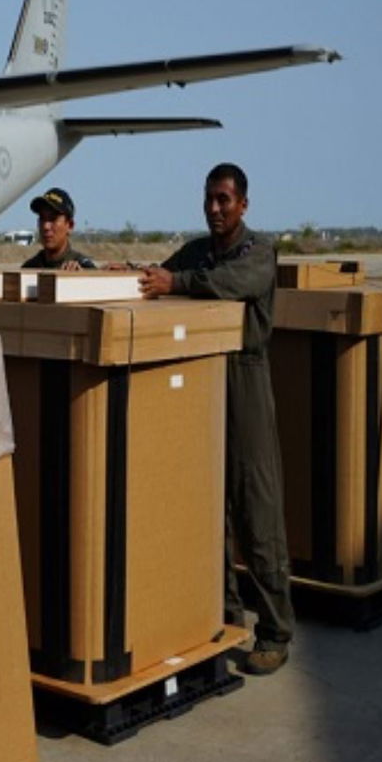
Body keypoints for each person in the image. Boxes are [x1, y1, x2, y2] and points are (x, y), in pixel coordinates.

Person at [138, 162, 295, 676]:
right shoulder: (197, 251)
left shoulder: (258, 252)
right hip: (205, 376)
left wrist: (178, 282)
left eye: (224, 200)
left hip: (245, 378)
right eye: (209, 199)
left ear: (243, 204)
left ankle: (274, 630)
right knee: (209, 507)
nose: (214, 209)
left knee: (257, 505)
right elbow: (161, 276)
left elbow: (230, 284)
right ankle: (223, 617)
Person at [21, 187, 97, 270]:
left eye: (53, 219)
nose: (46, 226)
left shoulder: (83, 268)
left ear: (70, 226)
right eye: (42, 218)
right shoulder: (30, 268)